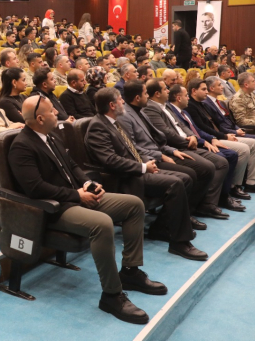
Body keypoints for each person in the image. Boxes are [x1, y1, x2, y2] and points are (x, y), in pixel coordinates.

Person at [9, 94, 165, 324]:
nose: (57, 113)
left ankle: (130, 272)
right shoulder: (21, 146)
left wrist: (88, 183)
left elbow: (73, 166)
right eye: (52, 111)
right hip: (54, 209)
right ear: (40, 119)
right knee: (102, 224)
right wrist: (77, 195)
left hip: (75, 197)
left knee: (134, 205)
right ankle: (111, 295)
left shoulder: (51, 136)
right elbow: (35, 188)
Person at [85, 87, 207, 261]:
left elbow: (131, 149)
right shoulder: (98, 126)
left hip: (136, 169)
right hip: (124, 177)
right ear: (112, 105)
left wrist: (147, 161)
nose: (123, 102)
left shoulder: (114, 122)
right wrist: (142, 167)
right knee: (176, 182)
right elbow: (110, 160)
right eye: (120, 100)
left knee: (185, 178)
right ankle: (180, 243)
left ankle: (162, 227)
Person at [142, 78, 231, 220]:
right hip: (176, 146)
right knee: (206, 167)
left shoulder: (166, 105)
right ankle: (190, 209)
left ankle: (206, 204)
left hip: (188, 142)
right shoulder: (150, 108)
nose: (168, 91)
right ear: (157, 94)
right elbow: (165, 132)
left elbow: (182, 125)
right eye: (165, 89)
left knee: (222, 162)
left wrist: (192, 136)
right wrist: (186, 142)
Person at [167, 84, 244, 213]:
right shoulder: (174, 111)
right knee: (221, 159)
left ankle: (223, 194)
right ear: (179, 98)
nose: (188, 98)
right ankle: (208, 201)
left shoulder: (184, 111)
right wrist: (205, 141)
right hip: (189, 145)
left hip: (200, 141)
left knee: (231, 155)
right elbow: (182, 134)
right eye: (186, 96)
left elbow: (196, 130)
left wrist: (211, 138)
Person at [186, 79, 255, 201]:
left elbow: (217, 123)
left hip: (217, 135)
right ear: (194, 91)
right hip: (211, 138)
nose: (207, 92)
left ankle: (251, 182)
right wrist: (224, 136)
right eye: (204, 89)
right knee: (243, 149)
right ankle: (233, 186)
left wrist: (227, 134)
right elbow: (201, 128)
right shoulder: (190, 106)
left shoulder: (202, 104)